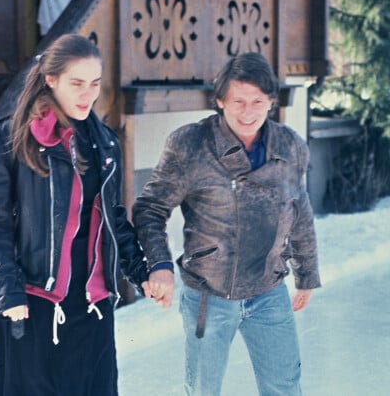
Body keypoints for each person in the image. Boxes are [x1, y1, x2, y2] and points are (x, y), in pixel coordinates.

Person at [0, 33, 151, 396]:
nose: (88, 95)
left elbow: (112, 218)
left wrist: (140, 270)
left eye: (95, 84)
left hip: (92, 309)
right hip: (32, 305)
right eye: (77, 83)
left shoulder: (105, 142)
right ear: (51, 80)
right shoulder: (11, 138)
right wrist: (9, 292)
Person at [132, 52, 321, 396]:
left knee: (284, 387)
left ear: (271, 102)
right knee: (204, 390)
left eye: (257, 102)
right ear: (220, 101)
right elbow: (150, 208)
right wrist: (158, 264)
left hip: (269, 291)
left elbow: (300, 209)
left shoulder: (290, 145)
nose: (248, 112)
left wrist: (306, 272)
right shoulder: (190, 144)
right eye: (238, 101)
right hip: (209, 294)